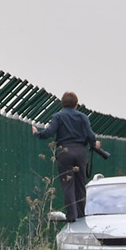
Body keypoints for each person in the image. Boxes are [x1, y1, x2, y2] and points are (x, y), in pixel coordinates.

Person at [31, 92, 101, 222]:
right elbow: (90, 135)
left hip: (65, 151)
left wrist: (37, 134)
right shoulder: (83, 117)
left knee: (67, 184)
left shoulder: (58, 116)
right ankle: (81, 214)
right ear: (76, 104)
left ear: (62, 103)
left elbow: (50, 132)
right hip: (80, 151)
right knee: (80, 184)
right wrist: (94, 144)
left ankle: (71, 215)